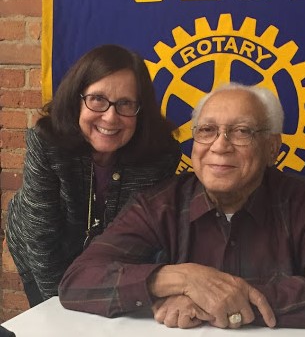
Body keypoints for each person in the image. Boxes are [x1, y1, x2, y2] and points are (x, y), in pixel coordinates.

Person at [58, 82, 305, 329]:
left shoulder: (304, 202)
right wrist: (181, 279)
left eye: (241, 132)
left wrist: (219, 299)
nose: (219, 146)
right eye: (207, 130)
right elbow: (78, 282)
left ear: (272, 148)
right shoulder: (159, 204)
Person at [6, 44, 181, 307]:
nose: (110, 117)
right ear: (77, 100)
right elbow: (41, 239)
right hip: (42, 254)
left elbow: (145, 240)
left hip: (111, 263)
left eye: (125, 103)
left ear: (141, 110)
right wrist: (61, 308)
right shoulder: (47, 142)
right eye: (97, 99)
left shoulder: (161, 156)